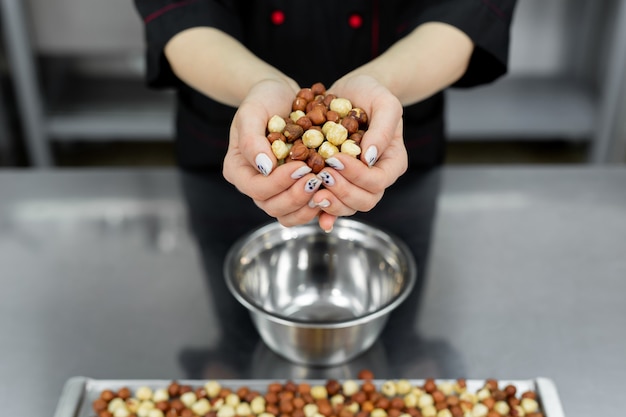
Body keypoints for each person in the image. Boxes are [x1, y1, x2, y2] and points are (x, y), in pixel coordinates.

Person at [133, 1, 517, 232]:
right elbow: (178, 11)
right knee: (240, 333)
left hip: (388, 141)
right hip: (236, 136)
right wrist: (258, 83)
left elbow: (468, 11)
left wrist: (381, 82)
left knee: (391, 325)